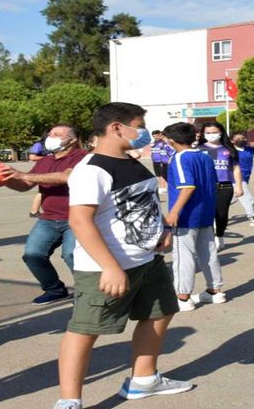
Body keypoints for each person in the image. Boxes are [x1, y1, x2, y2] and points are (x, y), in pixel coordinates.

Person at [55, 102, 191, 409]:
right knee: (85, 330)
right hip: (107, 268)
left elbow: (144, 204)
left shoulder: (130, 162)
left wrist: (163, 230)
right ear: (117, 128)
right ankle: (69, 401)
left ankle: (143, 381)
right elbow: (80, 221)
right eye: (139, 125)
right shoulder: (92, 170)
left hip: (147, 261)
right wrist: (110, 267)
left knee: (159, 312)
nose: (143, 132)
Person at [0, 124, 87, 306]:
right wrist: (4, 181)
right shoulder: (45, 161)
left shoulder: (83, 157)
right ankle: (54, 289)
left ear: (71, 139)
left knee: (72, 255)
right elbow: (24, 185)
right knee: (33, 254)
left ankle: (87, 293)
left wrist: (24, 175)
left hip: (77, 217)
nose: (50, 137)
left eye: (57, 134)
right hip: (49, 218)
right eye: (50, 133)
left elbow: (66, 177)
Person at [163, 122, 225, 312]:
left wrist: (174, 212)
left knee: (183, 256)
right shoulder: (205, 156)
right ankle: (215, 291)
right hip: (206, 213)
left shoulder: (180, 158)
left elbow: (187, 186)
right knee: (208, 252)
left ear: (171, 140)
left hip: (187, 216)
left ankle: (183, 297)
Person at [197, 122, 243, 249]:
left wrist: (239, 186)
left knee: (221, 214)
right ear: (203, 134)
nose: (211, 135)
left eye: (214, 132)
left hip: (224, 186)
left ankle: (220, 235)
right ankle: (210, 239)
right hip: (205, 187)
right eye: (208, 133)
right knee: (208, 214)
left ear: (221, 132)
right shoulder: (199, 149)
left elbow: (236, 168)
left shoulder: (228, 149)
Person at [230, 132, 254, 226]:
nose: (242, 140)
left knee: (228, 200)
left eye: (243, 138)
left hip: (246, 177)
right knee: (247, 198)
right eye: (238, 138)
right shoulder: (230, 151)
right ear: (232, 141)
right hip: (235, 178)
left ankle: (211, 215)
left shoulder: (249, 149)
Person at [28, 130, 51, 218]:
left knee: (45, 191)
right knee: (42, 191)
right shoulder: (39, 145)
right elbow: (32, 157)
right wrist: (47, 158)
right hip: (44, 169)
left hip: (53, 169)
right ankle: (34, 211)